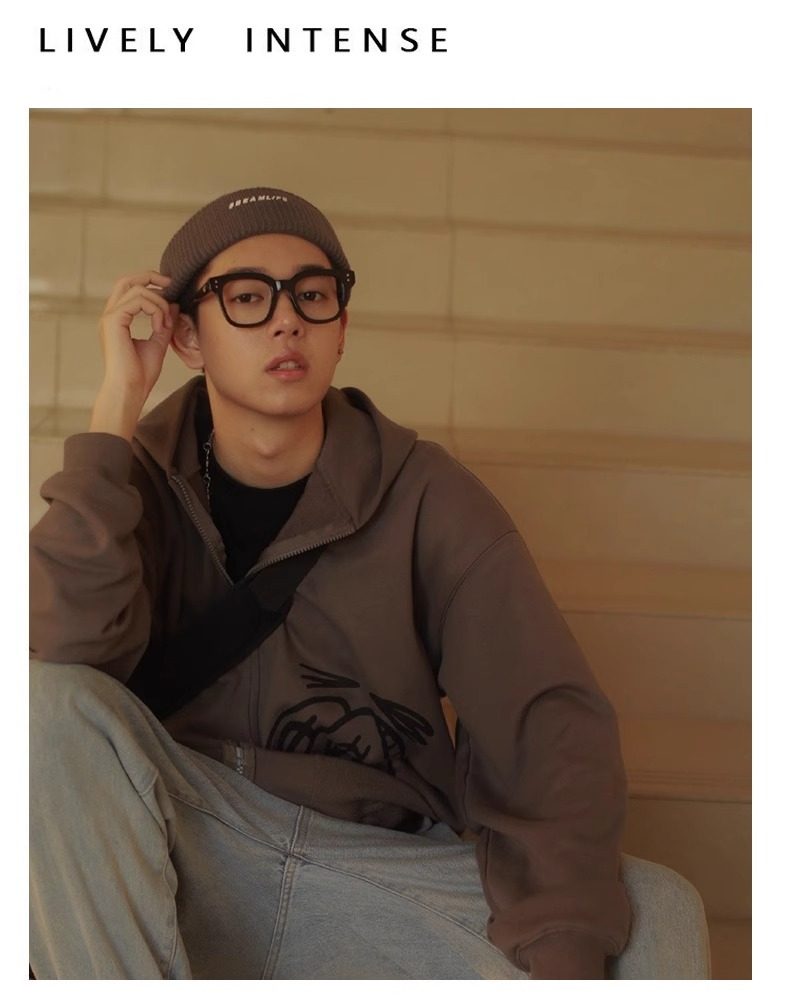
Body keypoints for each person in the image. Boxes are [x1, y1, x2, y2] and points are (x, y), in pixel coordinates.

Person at [29, 186, 632, 979]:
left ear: (341, 329)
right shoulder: (126, 488)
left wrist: (559, 951)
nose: (288, 321)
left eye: (312, 296)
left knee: (655, 916)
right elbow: (65, 661)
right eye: (248, 298)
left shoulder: (428, 496)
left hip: (371, 867)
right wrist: (116, 408)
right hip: (187, 850)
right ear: (186, 336)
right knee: (43, 704)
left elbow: (544, 726)